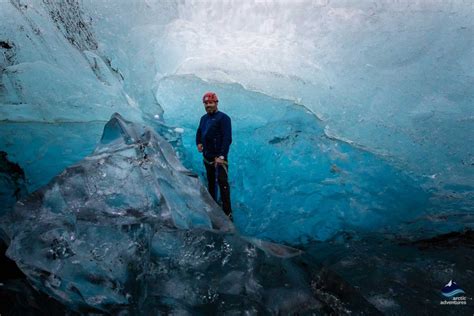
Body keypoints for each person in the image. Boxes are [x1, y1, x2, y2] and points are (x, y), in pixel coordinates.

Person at [195, 92, 233, 220]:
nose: (208, 105)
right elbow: (199, 132)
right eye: (206, 103)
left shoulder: (224, 118)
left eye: (210, 103)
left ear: (216, 103)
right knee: (211, 183)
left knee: (222, 183)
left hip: (219, 158)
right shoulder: (203, 118)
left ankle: (227, 212)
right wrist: (199, 143)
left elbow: (227, 138)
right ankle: (213, 208)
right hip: (208, 157)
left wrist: (222, 156)